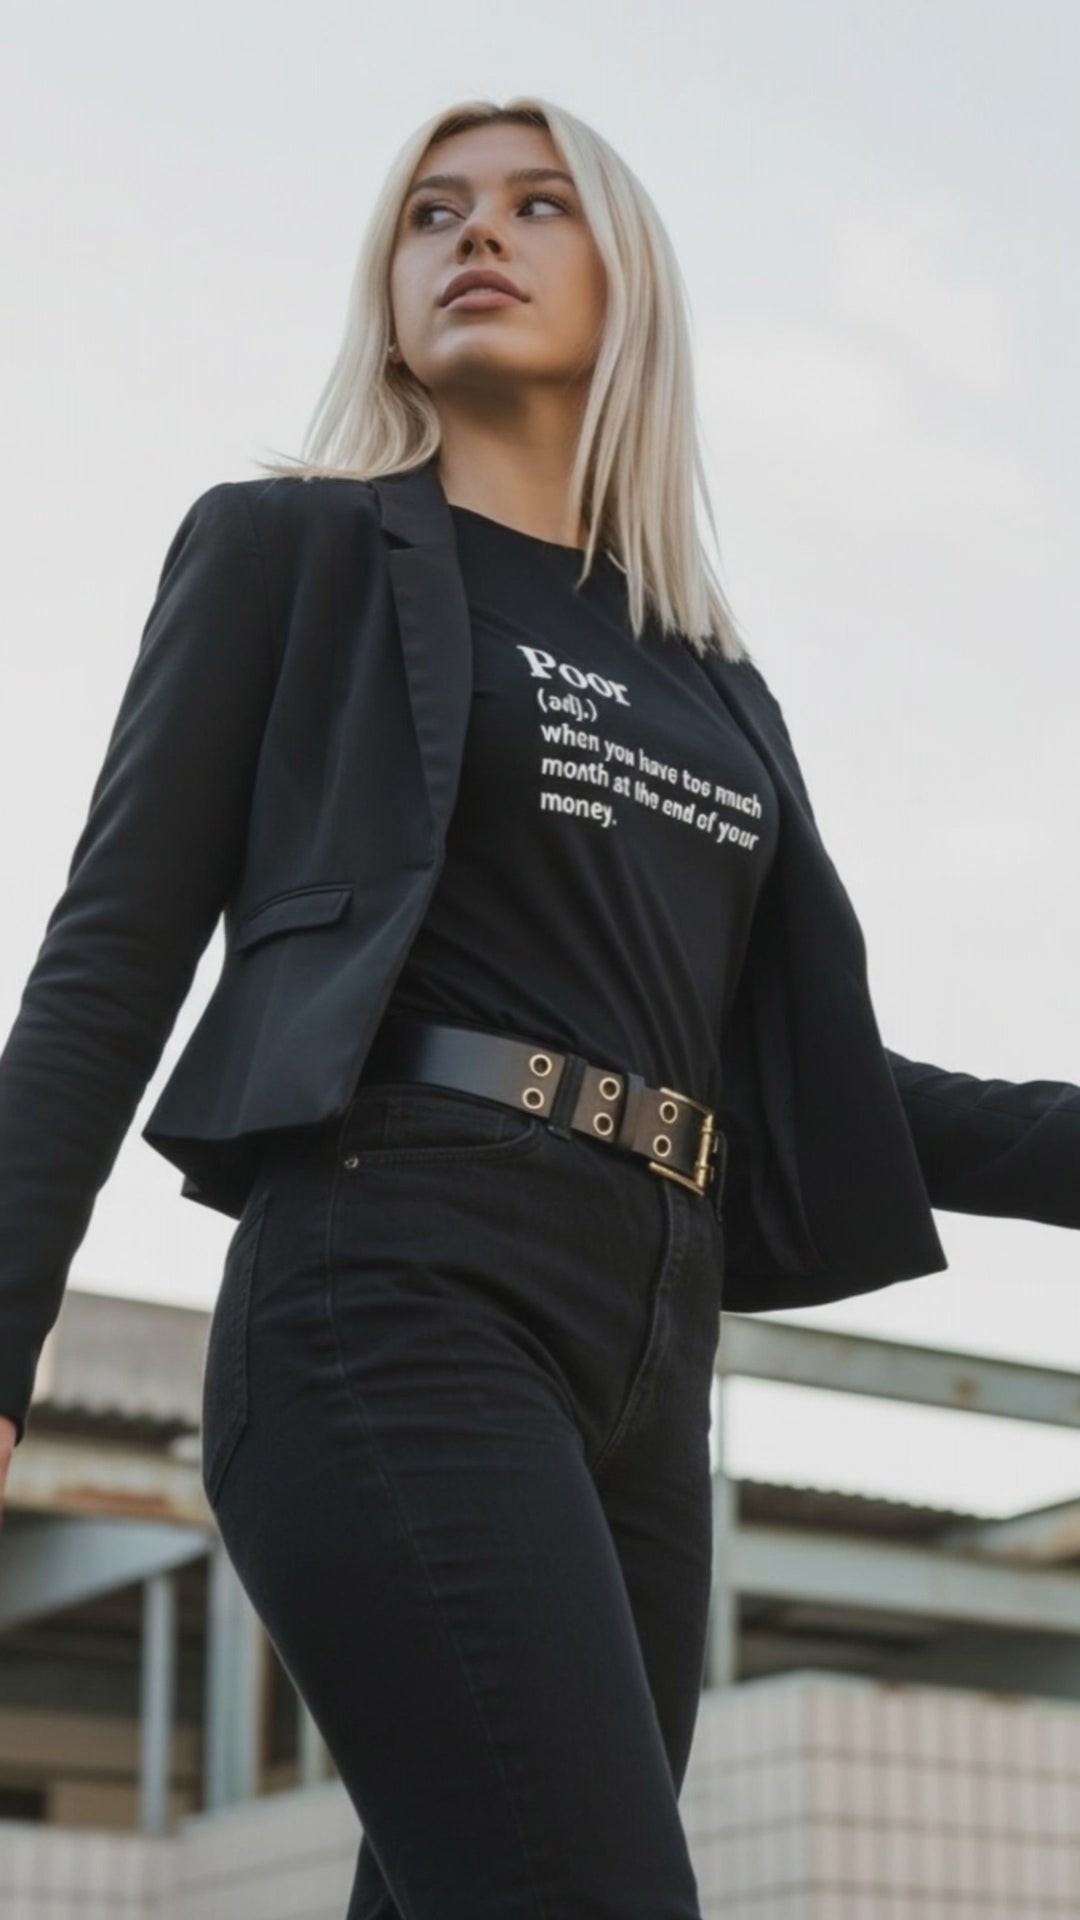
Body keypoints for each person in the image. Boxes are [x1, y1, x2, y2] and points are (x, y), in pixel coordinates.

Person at [1, 95, 1078, 1919]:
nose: (473, 234)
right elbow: (108, 957)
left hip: (652, 1359)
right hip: (392, 1281)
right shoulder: (296, 553)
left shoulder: (713, 680)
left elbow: (815, 1080)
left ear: (628, 280)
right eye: (431, 213)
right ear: (390, 287)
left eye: (533, 204)